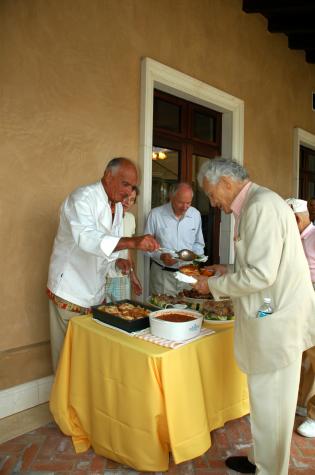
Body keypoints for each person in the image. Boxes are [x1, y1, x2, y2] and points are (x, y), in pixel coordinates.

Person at [194, 158, 315, 475]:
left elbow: (261, 275)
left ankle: (270, 470)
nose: (212, 202)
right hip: (273, 314)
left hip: (277, 322)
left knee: (274, 406)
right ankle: (261, 460)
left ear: (226, 183)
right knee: (265, 403)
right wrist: (228, 270)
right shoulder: (256, 203)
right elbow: (260, 267)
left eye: (211, 193)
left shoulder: (260, 206)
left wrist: (213, 284)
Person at [47, 157, 160, 371]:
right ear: (109, 176)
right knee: (66, 360)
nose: (129, 192)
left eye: (133, 187)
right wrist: (133, 242)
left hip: (94, 293)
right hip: (70, 289)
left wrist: (117, 263)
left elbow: (106, 249)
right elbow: (87, 239)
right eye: (125, 184)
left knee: (85, 358)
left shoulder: (116, 207)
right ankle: (63, 405)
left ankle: (82, 403)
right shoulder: (82, 198)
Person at [286, 198, 315, 438]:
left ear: (296, 219)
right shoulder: (293, 239)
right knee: (301, 354)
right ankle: (301, 402)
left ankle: (314, 417)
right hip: (296, 304)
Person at [144, 182, 205, 296]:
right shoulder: (156, 214)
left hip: (187, 275)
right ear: (171, 197)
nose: (185, 207)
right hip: (162, 277)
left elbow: (198, 244)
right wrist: (160, 256)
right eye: (181, 202)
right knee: (160, 311)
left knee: (187, 311)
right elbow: (145, 246)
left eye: (188, 203)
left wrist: (195, 261)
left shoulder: (195, 214)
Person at [105, 186, 142, 301]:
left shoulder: (130, 219)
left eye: (131, 200)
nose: (127, 202)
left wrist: (132, 275)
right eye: (125, 197)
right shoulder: (105, 218)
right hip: (103, 276)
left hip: (122, 275)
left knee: (122, 312)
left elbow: (127, 251)